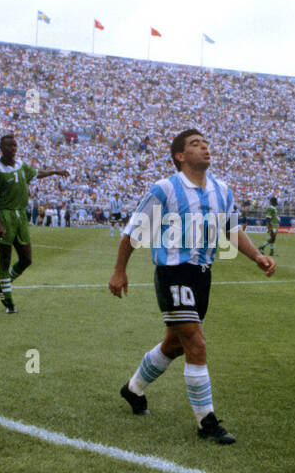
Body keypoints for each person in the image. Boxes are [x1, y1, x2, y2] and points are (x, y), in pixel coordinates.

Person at [108, 129, 276, 445]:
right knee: (196, 343)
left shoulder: (222, 190)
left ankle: (132, 389)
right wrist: (119, 271)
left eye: (206, 143)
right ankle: (206, 422)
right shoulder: (164, 189)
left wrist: (256, 256)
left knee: (174, 344)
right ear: (180, 157)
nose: (204, 148)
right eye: (195, 144)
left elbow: (231, 229)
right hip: (173, 272)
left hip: (202, 274)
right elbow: (134, 231)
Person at [0, 134, 68, 314]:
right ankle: (8, 302)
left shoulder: (21, 166)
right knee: (5, 260)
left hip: (21, 216)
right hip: (6, 216)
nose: (13, 148)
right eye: (9, 146)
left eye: (15, 145)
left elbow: (36, 173)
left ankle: (1, 286)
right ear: (1, 147)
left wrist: (55, 171)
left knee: (26, 259)